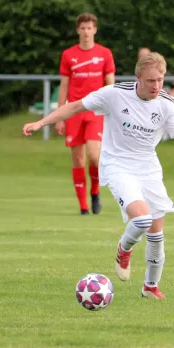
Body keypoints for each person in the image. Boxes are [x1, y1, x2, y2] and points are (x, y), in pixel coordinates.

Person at [22, 52, 174, 299]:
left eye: (160, 80)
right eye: (150, 81)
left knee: (156, 235)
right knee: (142, 220)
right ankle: (124, 249)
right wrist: (40, 123)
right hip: (118, 165)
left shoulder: (167, 103)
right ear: (138, 78)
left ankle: (150, 287)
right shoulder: (115, 94)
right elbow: (75, 106)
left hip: (149, 168)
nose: (156, 86)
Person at [55, 12, 116, 215]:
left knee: (94, 156)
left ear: (95, 30)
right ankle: (83, 206)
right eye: (83, 28)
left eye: (90, 28)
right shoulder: (68, 55)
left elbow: (110, 83)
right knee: (78, 160)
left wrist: (113, 108)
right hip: (73, 111)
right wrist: (60, 115)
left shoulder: (105, 54)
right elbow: (64, 85)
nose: (86, 32)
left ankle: (95, 191)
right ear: (78, 30)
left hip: (95, 110)